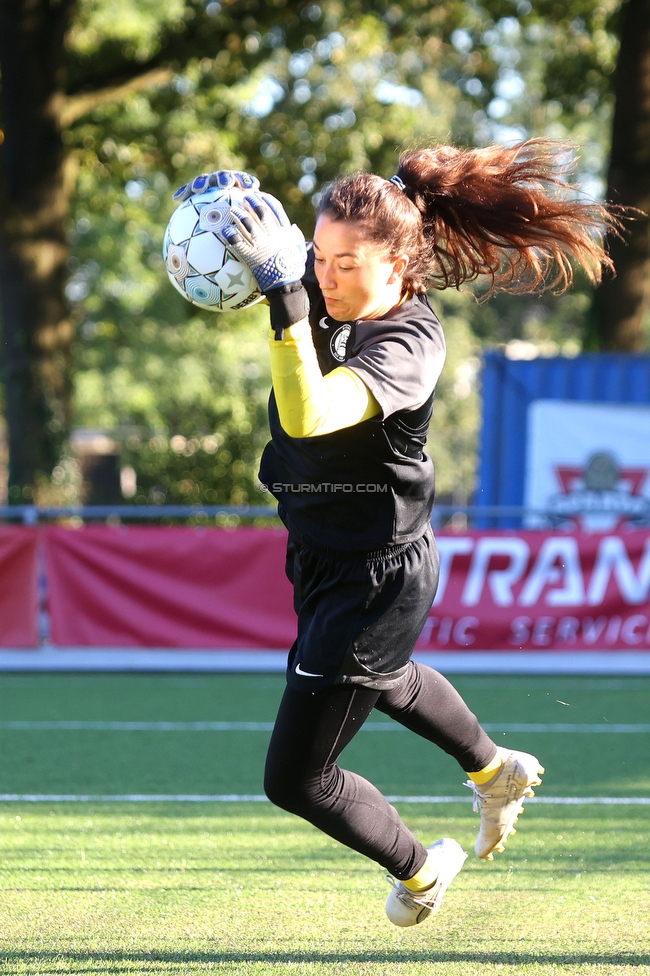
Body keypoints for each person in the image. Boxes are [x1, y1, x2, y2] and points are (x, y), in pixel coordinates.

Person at [175, 141, 618, 927]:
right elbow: (274, 266)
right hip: (322, 551)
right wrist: (230, 213)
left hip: (377, 573)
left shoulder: (410, 342)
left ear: (400, 265)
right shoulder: (323, 278)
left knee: (297, 779)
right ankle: (493, 769)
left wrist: (284, 292)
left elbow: (310, 417)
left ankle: (421, 871)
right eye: (318, 254)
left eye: (348, 261)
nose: (326, 273)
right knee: (385, 677)